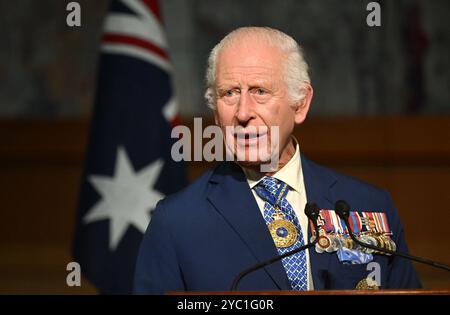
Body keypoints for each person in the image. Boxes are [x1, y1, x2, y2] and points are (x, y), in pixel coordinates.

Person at [133, 27, 421, 294]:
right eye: (229, 93)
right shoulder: (176, 221)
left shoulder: (369, 205)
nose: (243, 113)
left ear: (300, 104)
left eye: (260, 91)